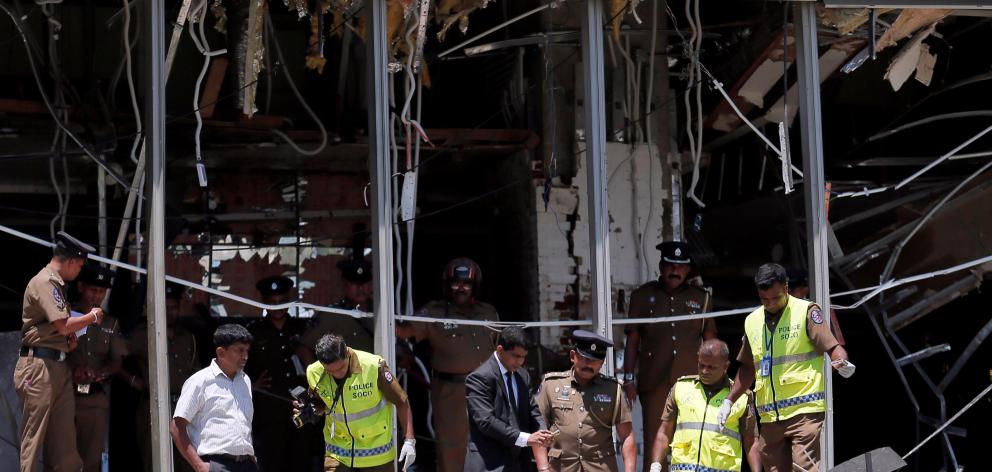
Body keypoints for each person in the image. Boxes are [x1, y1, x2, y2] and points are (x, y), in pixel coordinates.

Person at [720, 263, 855, 472]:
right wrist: (729, 400)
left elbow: (833, 347)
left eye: (776, 298)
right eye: (765, 299)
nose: (771, 304)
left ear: (786, 287)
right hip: (770, 417)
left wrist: (842, 362)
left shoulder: (806, 311)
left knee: (802, 467)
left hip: (804, 410)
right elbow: (748, 367)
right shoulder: (752, 321)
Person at [394, 257, 499, 472]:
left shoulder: (488, 313)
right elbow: (403, 331)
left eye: (466, 283)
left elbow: (501, 348)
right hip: (451, 393)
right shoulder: (434, 312)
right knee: (453, 449)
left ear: (475, 286)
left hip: (488, 390)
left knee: (490, 444)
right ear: (447, 285)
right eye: (456, 282)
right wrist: (375, 314)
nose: (461, 287)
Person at [622, 241, 716, 471]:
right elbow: (632, 340)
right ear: (661, 266)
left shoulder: (701, 298)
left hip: (693, 382)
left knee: (693, 440)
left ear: (688, 269)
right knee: (657, 443)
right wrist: (628, 378)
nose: (675, 271)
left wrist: (715, 379)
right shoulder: (642, 296)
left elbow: (711, 341)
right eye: (670, 265)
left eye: (681, 267)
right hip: (656, 382)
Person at [15, 231, 103, 472]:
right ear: (71, 260)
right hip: (38, 367)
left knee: (65, 445)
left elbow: (60, 330)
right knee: (34, 440)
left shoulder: (58, 285)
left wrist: (68, 343)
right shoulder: (45, 282)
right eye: (80, 265)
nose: (79, 271)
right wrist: (91, 317)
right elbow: (63, 325)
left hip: (58, 365)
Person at [301, 334, 417, 471]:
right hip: (338, 454)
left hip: (376, 455)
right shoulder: (314, 372)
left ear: (348, 354)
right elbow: (321, 403)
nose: (337, 374)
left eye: (341, 368)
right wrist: (309, 409)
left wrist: (409, 440)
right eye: (330, 371)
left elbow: (401, 401)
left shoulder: (374, 367)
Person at [647, 339, 761, 472]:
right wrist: (655, 465)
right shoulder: (681, 388)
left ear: (726, 366)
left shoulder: (742, 397)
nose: (705, 371)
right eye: (701, 365)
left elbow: (751, 442)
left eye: (711, 367)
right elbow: (664, 432)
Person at [533, 330, 636, 472]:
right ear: (572, 356)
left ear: (602, 362)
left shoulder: (614, 389)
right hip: (561, 468)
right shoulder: (551, 385)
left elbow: (627, 436)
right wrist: (543, 468)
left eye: (595, 360)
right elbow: (538, 429)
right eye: (585, 359)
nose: (589, 364)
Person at [129, 281, 202, 472]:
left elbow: (197, 373)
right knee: (153, 460)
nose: (170, 312)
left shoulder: (188, 337)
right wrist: (131, 379)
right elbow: (116, 355)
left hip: (183, 408)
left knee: (186, 461)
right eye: (165, 307)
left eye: (174, 307)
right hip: (152, 406)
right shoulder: (142, 334)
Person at [245, 275, 313, 472]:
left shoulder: (303, 329)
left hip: (301, 408)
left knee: (301, 461)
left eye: (282, 302)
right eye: (271, 303)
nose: (277, 307)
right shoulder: (253, 332)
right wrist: (253, 384)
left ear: (290, 301)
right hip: (269, 412)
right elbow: (239, 368)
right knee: (271, 462)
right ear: (264, 303)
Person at [67, 264, 129, 472]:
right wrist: (71, 371)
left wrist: (99, 373)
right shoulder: (65, 317)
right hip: (64, 397)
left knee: (91, 460)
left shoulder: (110, 324)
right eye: (93, 290)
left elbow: (116, 361)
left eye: (102, 292)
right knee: (61, 459)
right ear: (81, 287)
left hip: (94, 399)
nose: (98, 296)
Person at [171, 324, 257, 472]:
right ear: (221, 352)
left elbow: (243, 422)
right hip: (216, 464)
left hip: (247, 464)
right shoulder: (200, 381)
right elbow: (176, 426)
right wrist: (199, 466)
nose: (245, 356)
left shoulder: (245, 380)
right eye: (240, 350)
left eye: (247, 350)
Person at [464, 327, 552, 472]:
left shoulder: (522, 376)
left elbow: (532, 411)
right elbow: (485, 421)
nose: (520, 362)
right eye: (516, 356)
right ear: (500, 350)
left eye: (524, 357)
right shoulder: (479, 377)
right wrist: (526, 438)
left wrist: (542, 432)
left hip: (518, 462)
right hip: (489, 463)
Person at [300, 257, 375, 363]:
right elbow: (304, 347)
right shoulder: (333, 313)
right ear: (344, 284)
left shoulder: (381, 311)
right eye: (354, 283)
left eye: (364, 283)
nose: (360, 289)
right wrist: (318, 378)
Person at [786, 268, 846, 346]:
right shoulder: (779, 311)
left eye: (792, 290)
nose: (788, 295)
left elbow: (832, 345)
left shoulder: (813, 311)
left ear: (805, 289)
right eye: (786, 291)